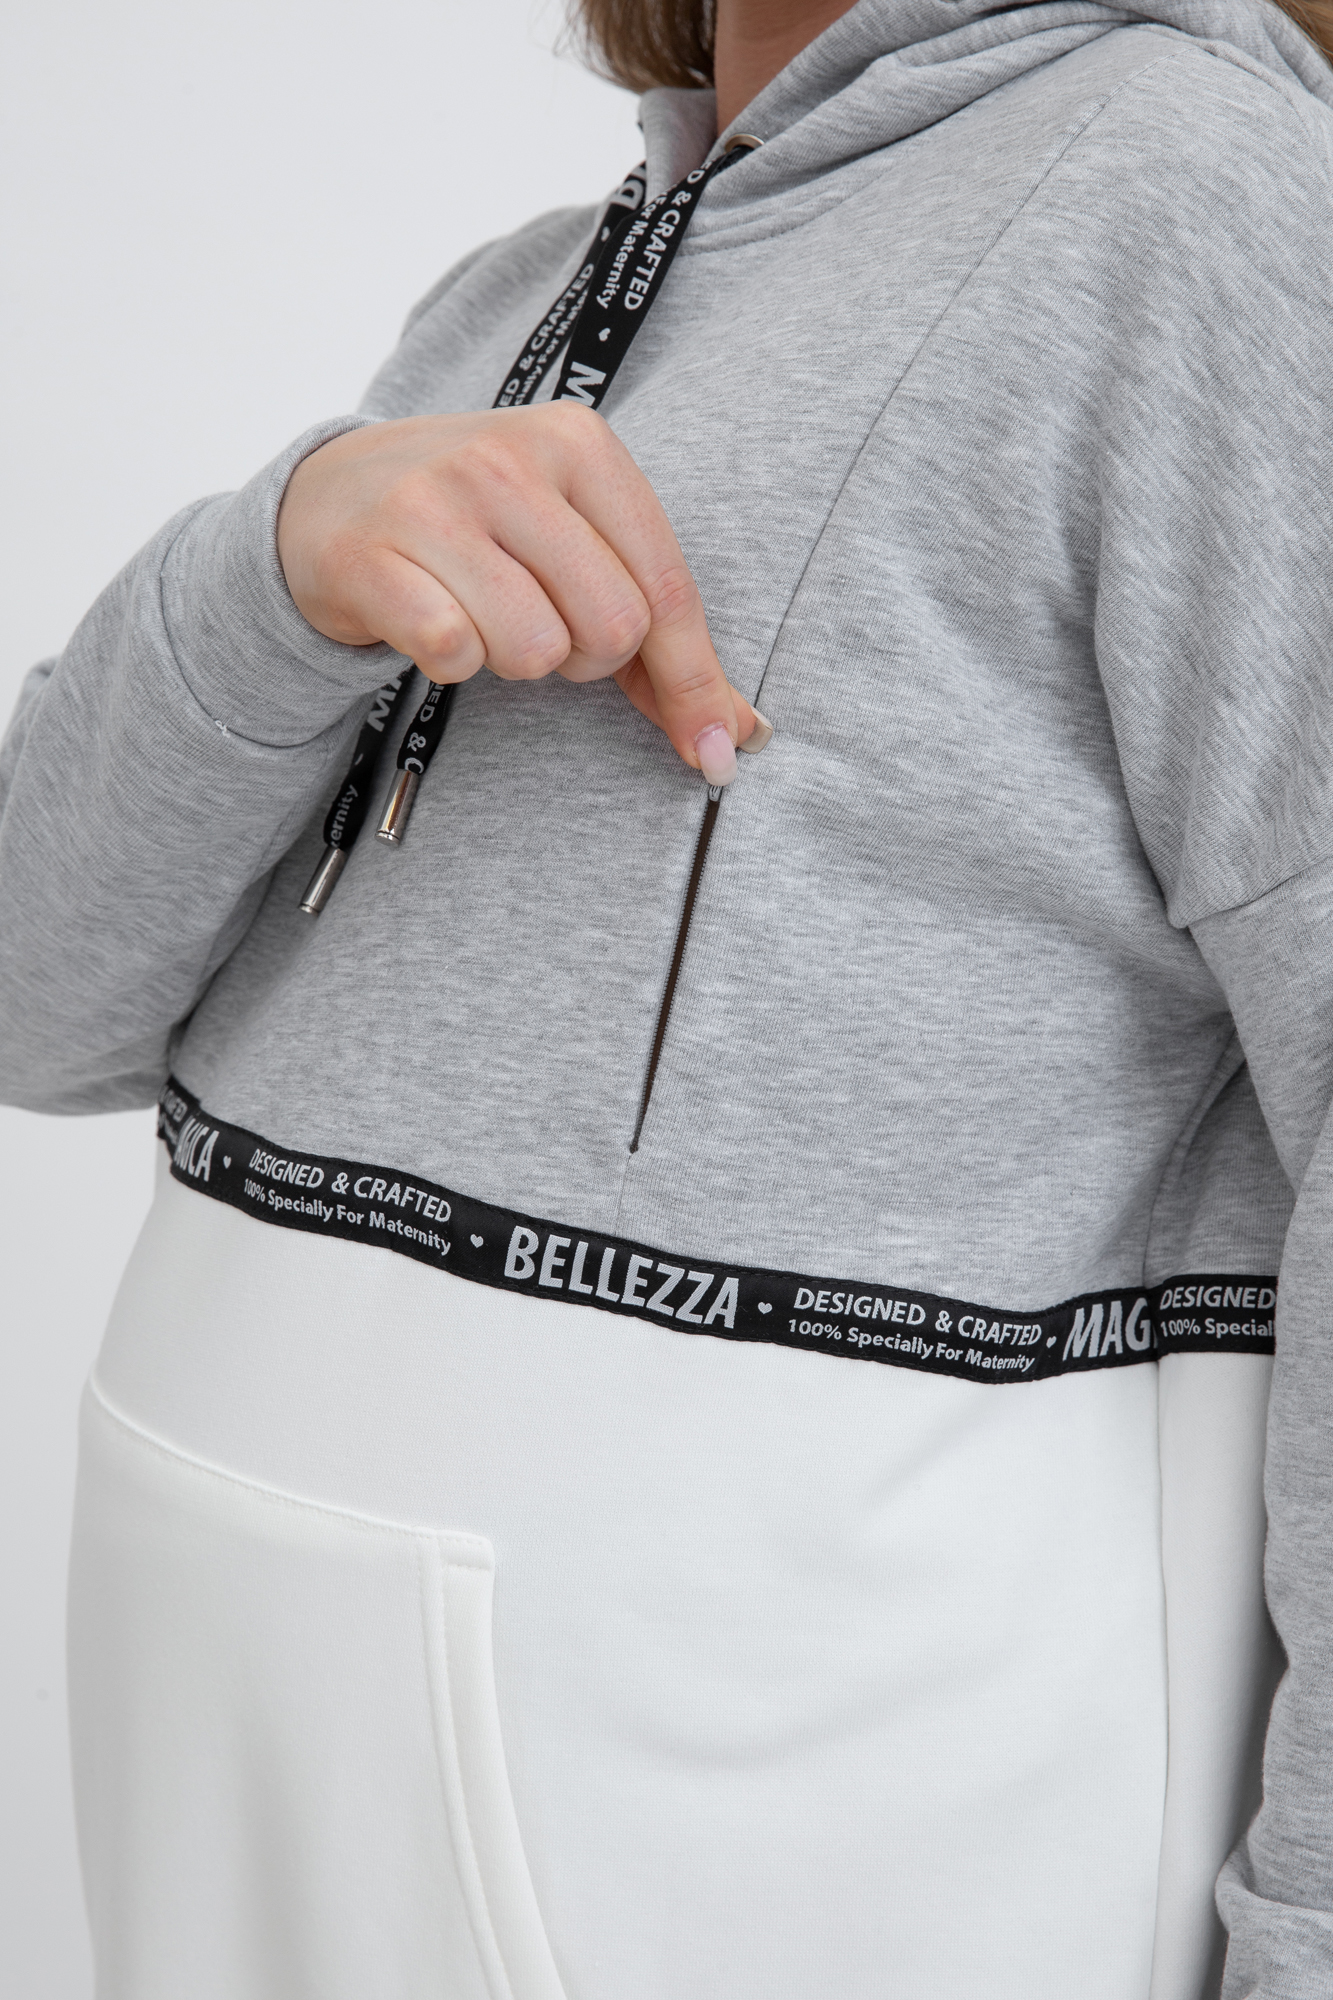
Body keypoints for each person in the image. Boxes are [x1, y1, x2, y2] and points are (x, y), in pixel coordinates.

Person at [3, 0, 1332, 1992]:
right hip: (232, 1769)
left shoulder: (1214, 198)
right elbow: (34, 1004)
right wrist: (272, 568)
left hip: (790, 1805)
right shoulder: (524, 294)